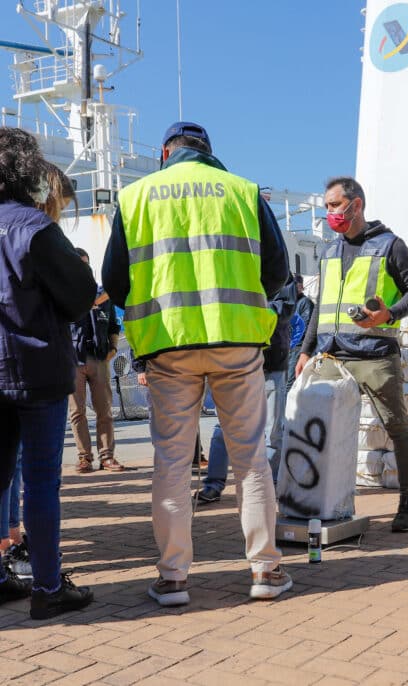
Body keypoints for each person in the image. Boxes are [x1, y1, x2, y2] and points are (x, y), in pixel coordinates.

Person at [102, 121, 292, 605]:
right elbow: (277, 272)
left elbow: (114, 281)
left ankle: (173, 579)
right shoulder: (243, 192)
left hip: (168, 345)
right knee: (250, 459)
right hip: (237, 342)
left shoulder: (138, 196)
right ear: (209, 151)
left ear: (165, 151)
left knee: (171, 461)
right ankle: (265, 571)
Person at [0, 128, 96, 617]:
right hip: (36, 368)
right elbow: (81, 295)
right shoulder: (34, 228)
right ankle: (47, 587)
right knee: (40, 481)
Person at [296, 177, 408, 532]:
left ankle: (407, 507)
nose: (329, 213)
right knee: (318, 428)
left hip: (375, 354)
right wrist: (306, 351)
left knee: (396, 428)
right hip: (331, 356)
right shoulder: (329, 252)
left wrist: (390, 314)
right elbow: (321, 306)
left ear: (356, 205)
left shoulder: (389, 246)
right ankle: (321, 503)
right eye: (326, 206)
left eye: (334, 205)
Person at [195, 277, 297, 505]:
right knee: (223, 429)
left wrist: (248, 309)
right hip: (234, 361)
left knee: (272, 431)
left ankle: (267, 487)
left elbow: (285, 308)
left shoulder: (280, 270)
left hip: (271, 362)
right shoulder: (229, 259)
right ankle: (213, 485)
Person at [69, 248, 125, 473]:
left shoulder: (104, 296)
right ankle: (84, 458)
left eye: (86, 264)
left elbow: (113, 325)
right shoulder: (64, 294)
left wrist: (112, 347)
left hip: (99, 359)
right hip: (73, 360)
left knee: (105, 410)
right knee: (77, 412)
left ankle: (107, 457)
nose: (83, 268)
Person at [287, 274, 314, 391]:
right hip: (288, 347)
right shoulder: (289, 303)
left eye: (297, 285)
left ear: (301, 287)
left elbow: (304, 327)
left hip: (297, 348)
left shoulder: (305, 303)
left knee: (290, 381)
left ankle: (286, 407)